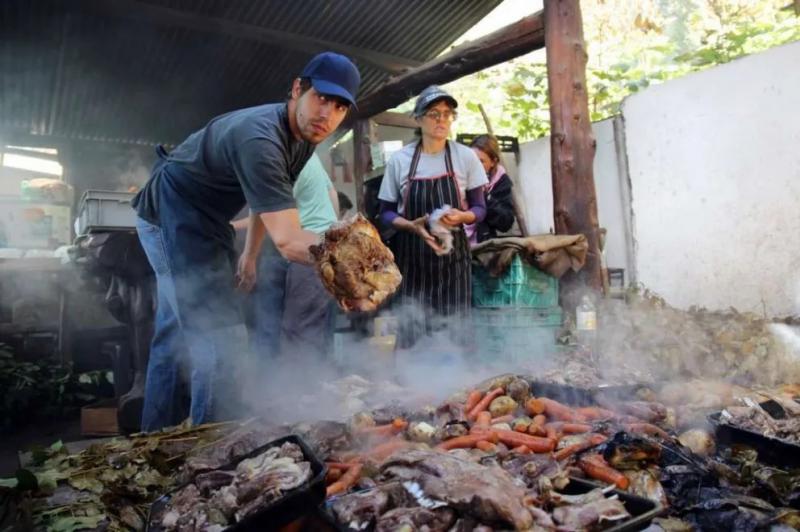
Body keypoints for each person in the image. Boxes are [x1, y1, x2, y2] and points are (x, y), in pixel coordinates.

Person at [131, 52, 360, 431]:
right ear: (297, 89)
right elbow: (287, 241)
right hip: (169, 214)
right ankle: (208, 449)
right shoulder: (260, 137)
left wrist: (250, 256)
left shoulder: (303, 138)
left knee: (175, 331)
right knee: (219, 339)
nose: (327, 114)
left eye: (339, 107)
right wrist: (348, 275)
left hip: (206, 219)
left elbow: (266, 199)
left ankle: (155, 436)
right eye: (322, 98)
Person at [377, 86, 487, 348]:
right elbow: (385, 213)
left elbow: (481, 208)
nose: (441, 120)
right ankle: (413, 385)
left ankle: (458, 385)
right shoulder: (400, 160)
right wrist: (410, 226)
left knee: (455, 331)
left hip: (453, 262)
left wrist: (463, 216)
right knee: (413, 331)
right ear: (418, 119)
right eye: (434, 114)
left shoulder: (465, 156)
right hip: (412, 260)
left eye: (448, 114)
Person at [244, 153, 339, 363]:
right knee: (311, 327)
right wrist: (332, 228)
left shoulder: (280, 160)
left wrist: (236, 234)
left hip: (305, 244)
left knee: (300, 329)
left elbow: (264, 211)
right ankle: (314, 380)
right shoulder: (310, 154)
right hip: (313, 240)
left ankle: (302, 387)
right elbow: (331, 192)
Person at [468, 134, 517, 244]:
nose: (474, 166)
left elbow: (505, 223)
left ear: (493, 162)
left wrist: (485, 196)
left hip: (481, 245)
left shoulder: (500, 182)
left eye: (481, 161)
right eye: (471, 160)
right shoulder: (458, 175)